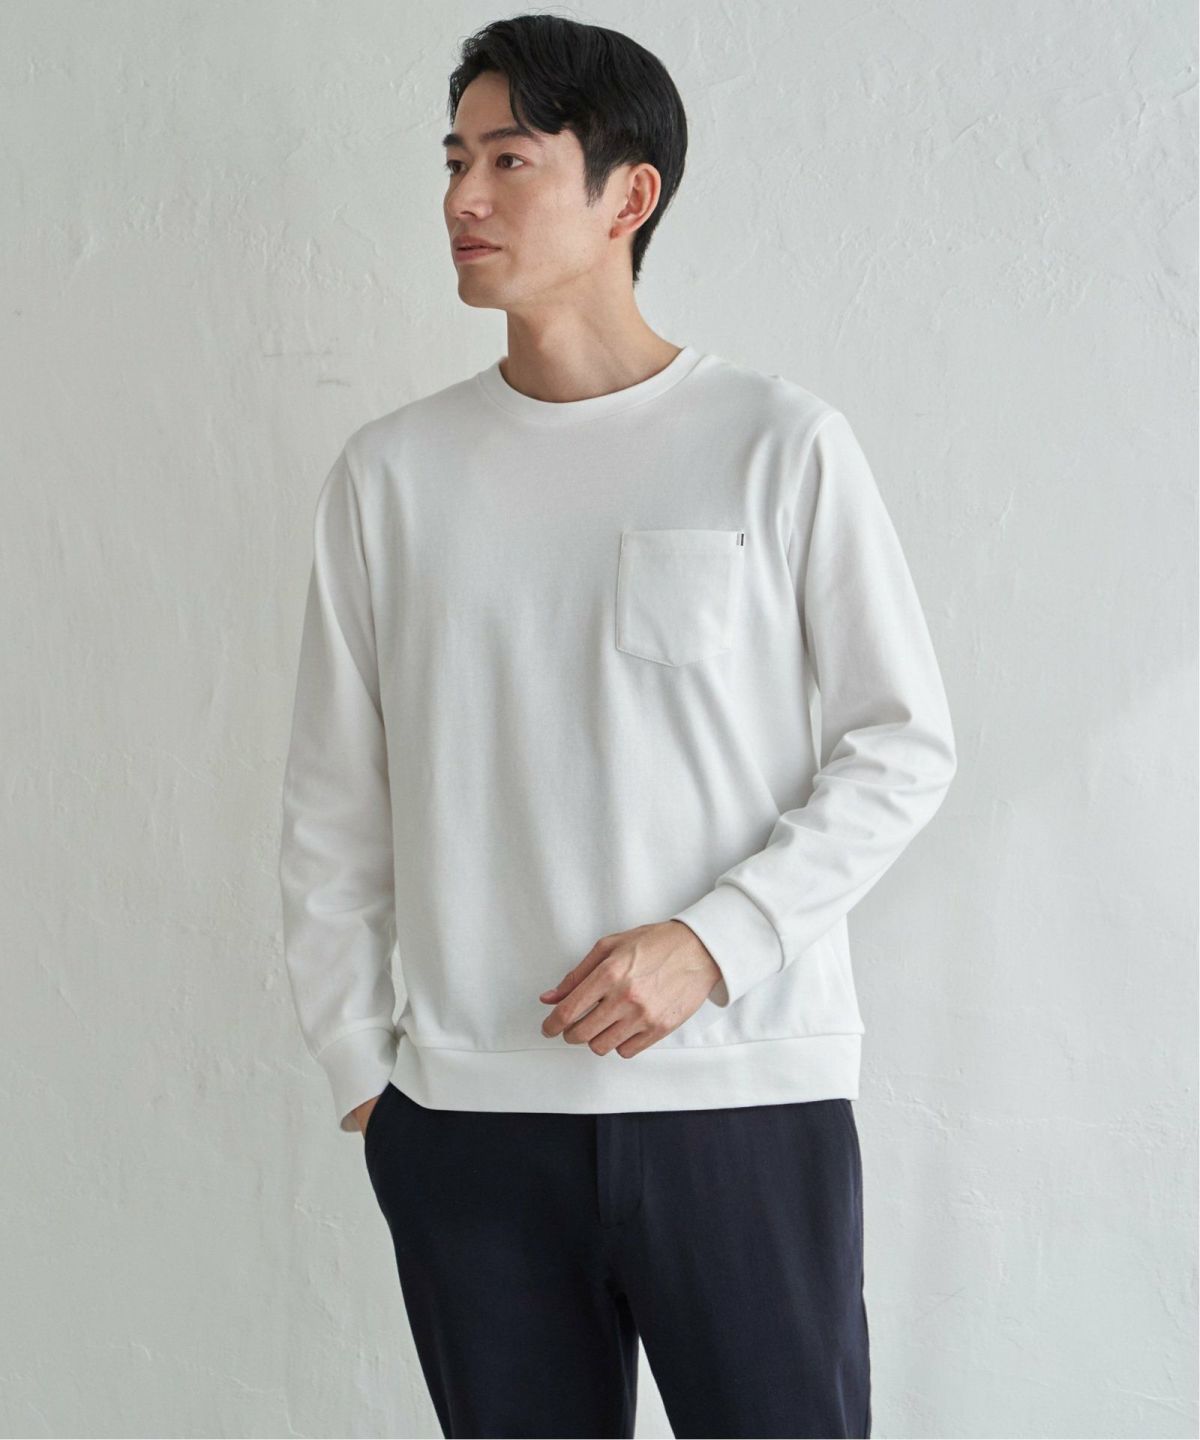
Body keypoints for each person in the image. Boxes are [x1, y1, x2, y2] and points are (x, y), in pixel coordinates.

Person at [278, 14, 956, 1439]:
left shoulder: (777, 442)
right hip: (470, 1128)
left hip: (742, 1104)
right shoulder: (391, 476)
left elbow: (901, 745)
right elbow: (337, 799)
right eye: (453, 160)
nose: (464, 197)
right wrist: (366, 1075)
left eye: (509, 159)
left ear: (627, 195)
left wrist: (717, 943)